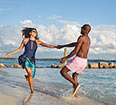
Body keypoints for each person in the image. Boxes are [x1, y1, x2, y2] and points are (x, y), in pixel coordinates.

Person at [3, 27, 57, 94]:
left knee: (32, 75)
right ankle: (32, 90)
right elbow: (19, 49)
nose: (35, 33)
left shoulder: (38, 42)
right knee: (30, 73)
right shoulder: (25, 40)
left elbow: (48, 45)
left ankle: (27, 77)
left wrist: (56, 46)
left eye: (36, 32)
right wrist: (8, 53)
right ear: (30, 33)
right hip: (25, 58)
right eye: (34, 31)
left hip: (32, 60)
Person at [57, 24, 91, 97]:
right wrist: (63, 46)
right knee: (74, 75)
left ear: (85, 30)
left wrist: (66, 57)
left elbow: (76, 50)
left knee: (63, 72)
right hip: (84, 61)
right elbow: (74, 44)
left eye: (81, 28)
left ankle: (76, 84)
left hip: (79, 59)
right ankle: (75, 94)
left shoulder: (81, 37)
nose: (80, 30)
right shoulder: (88, 39)